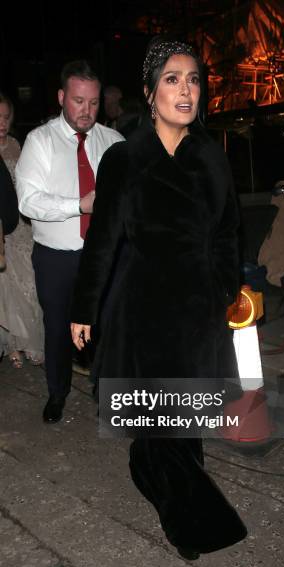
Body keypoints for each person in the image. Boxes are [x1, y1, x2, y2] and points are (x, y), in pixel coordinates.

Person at [71, 39, 247, 559]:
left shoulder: (212, 158)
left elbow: (228, 235)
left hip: (198, 312)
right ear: (150, 94)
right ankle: (193, 521)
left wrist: (222, 289)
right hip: (143, 311)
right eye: (172, 79)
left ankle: (149, 468)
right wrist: (84, 309)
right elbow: (102, 242)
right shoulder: (124, 160)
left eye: (193, 79)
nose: (185, 89)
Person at [16, 60, 124, 422]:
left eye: (93, 103)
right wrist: (79, 205)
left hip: (104, 254)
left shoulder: (114, 142)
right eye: (79, 101)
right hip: (56, 257)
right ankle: (57, 393)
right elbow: (27, 201)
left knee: (106, 326)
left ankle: (105, 393)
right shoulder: (40, 140)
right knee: (58, 328)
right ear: (62, 97)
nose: (87, 111)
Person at [0, 92, 44, 368]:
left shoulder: (16, 144)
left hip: (22, 225)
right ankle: (14, 344)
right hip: (1, 227)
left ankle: (30, 342)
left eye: (6, 117)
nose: (2, 122)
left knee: (30, 283)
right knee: (7, 286)